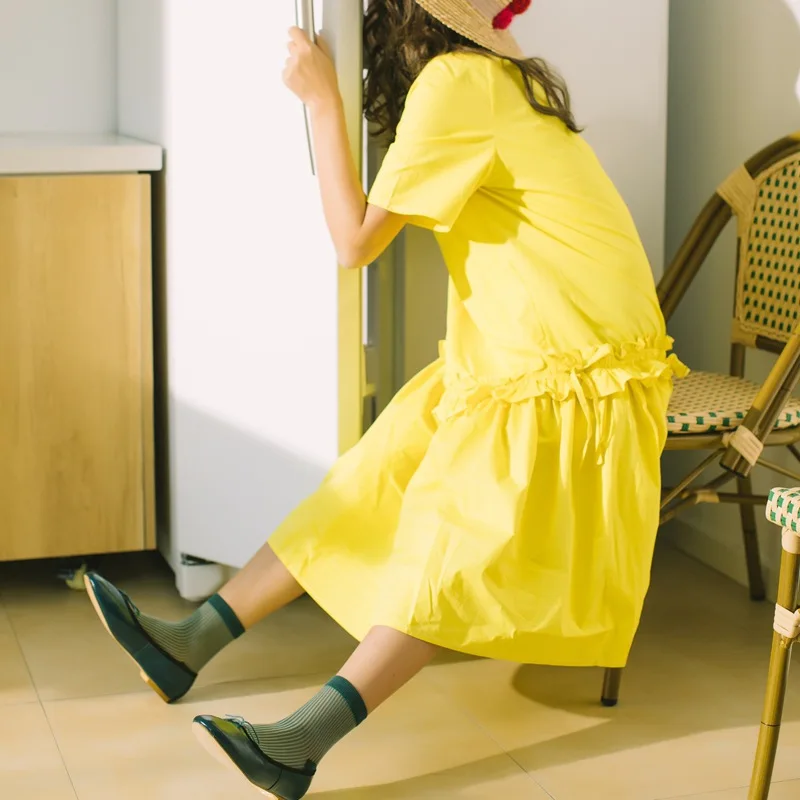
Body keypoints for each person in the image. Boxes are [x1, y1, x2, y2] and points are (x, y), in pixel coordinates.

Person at [84, 1, 686, 797]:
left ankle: (300, 743)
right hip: (534, 343)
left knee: (452, 539)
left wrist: (323, 101)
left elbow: (353, 243)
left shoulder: (459, 82)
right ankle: (189, 640)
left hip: (573, 365)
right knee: (368, 481)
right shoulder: (482, 75)